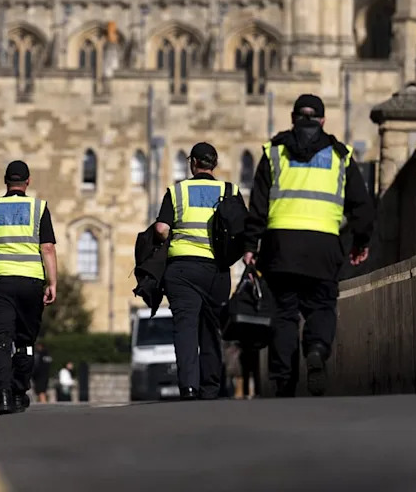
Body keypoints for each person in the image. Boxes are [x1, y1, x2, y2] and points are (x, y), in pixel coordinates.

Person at [243, 94, 374, 397]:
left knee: (284, 314)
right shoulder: (340, 156)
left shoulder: (274, 153)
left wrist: (250, 245)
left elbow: (258, 206)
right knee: (321, 306)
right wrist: (361, 241)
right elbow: (362, 208)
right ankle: (315, 348)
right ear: (323, 120)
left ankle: (284, 379)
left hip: (280, 247)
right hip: (323, 247)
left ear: (292, 118)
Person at [154, 142, 241, 400]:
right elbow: (241, 229)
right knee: (212, 329)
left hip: (182, 269)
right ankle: (211, 388)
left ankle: (189, 387)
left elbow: (161, 229)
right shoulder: (230, 191)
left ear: (192, 163)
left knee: (185, 328)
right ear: (214, 165)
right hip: (217, 270)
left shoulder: (177, 191)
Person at [0, 160, 58, 415]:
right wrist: (52, 282)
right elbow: (48, 248)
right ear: (28, 182)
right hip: (31, 282)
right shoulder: (38, 208)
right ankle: (20, 391)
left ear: (6, 181)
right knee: (25, 342)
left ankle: (4, 395)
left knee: (0, 341)